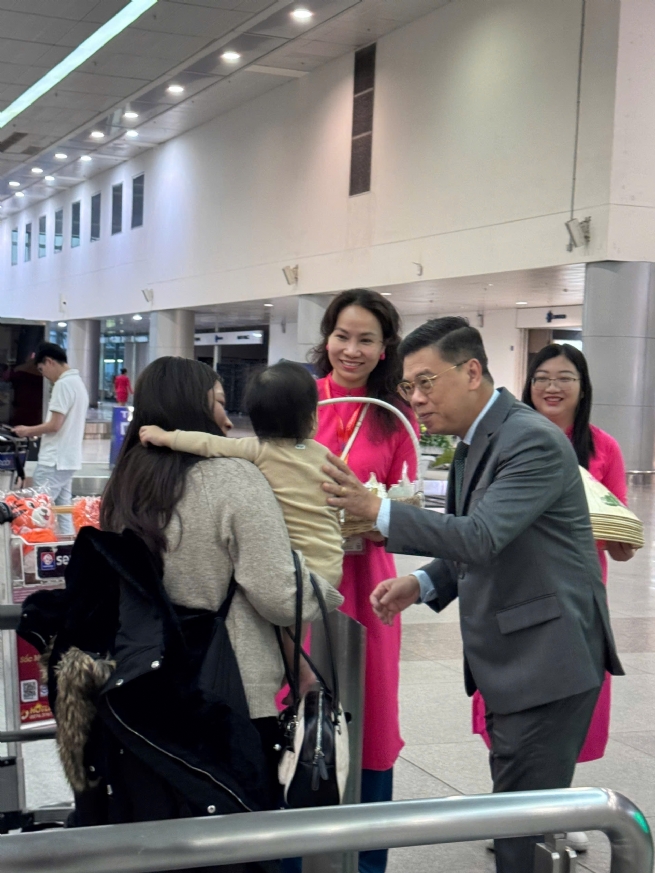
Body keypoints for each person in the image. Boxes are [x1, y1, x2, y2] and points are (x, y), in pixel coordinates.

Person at [323, 317, 623, 873]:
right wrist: (423, 583)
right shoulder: (474, 440)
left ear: (471, 372)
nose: (416, 399)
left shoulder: (530, 439)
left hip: (547, 662)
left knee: (521, 830)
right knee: (515, 817)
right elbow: (485, 540)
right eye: (408, 387)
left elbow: (481, 536)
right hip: (518, 658)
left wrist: (377, 510)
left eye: (426, 382)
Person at [19, 356, 343, 870]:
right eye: (219, 403)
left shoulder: (127, 478)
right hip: (229, 690)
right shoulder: (232, 477)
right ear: (193, 408)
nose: (227, 420)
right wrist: (327, 577)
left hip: (146, 687)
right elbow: (281, 596)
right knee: (239, 841)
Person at [311, 288, 418, 873]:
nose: (351, 350)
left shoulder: (393, 417)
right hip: (305, 575)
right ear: (327, 338)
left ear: (384, 349)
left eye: (365, 340)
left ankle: (367, 860)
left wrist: (370, 513)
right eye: (342, 336)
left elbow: (405, 512)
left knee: (372, 711)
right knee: (299, 701)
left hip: (370, 580)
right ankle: (293, 854)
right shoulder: (301, 400)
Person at [139, 360, 343, 588]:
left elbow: (207, 443)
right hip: (331, 558)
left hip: (295, 562)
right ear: (311, 418)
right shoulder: (324, 455)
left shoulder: (258, 449)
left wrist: (166, 437)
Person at [14, 342, 89, 536]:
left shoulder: (63, 384)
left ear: (49, 361)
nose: (44, 375)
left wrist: (27, 430)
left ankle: (37, 551)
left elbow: (55, 425)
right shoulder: (78, 383)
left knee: (38, 512)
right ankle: (68, 550)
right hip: (68, 460)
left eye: (41, 369)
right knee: (63, 512)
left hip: (54, 460)